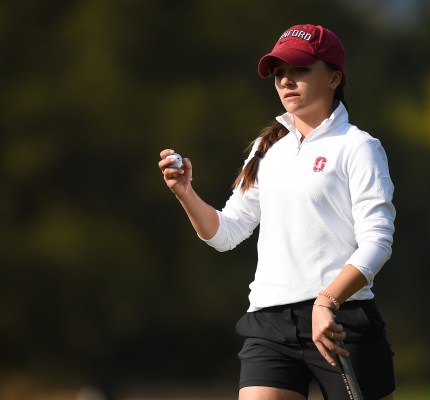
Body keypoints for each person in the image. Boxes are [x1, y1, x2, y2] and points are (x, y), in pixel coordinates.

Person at [159, 24, 396, 400]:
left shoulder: (358, 147)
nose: (286, 80)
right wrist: (185, 193)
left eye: (300, 69)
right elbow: (226, 232)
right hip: (269, 323)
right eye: (279, 72)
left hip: (340, 320)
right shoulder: (266, 148)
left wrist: (327, 302)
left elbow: (378, 241)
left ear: (334, 77)